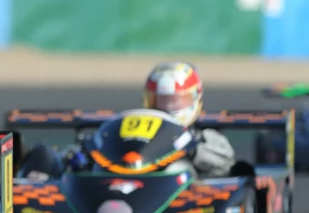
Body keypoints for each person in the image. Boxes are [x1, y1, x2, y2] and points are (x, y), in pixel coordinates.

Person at [13, 61, 236, 179]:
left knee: (178, 168)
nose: (167, 108)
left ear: (196, 100)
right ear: (148, 99)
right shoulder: (134, 126)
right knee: (44, 155)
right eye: (160, 101)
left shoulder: (203, 138)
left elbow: (228, 165)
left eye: (175, 101)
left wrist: (191, 151)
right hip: (119, 182)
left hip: (182, 203)